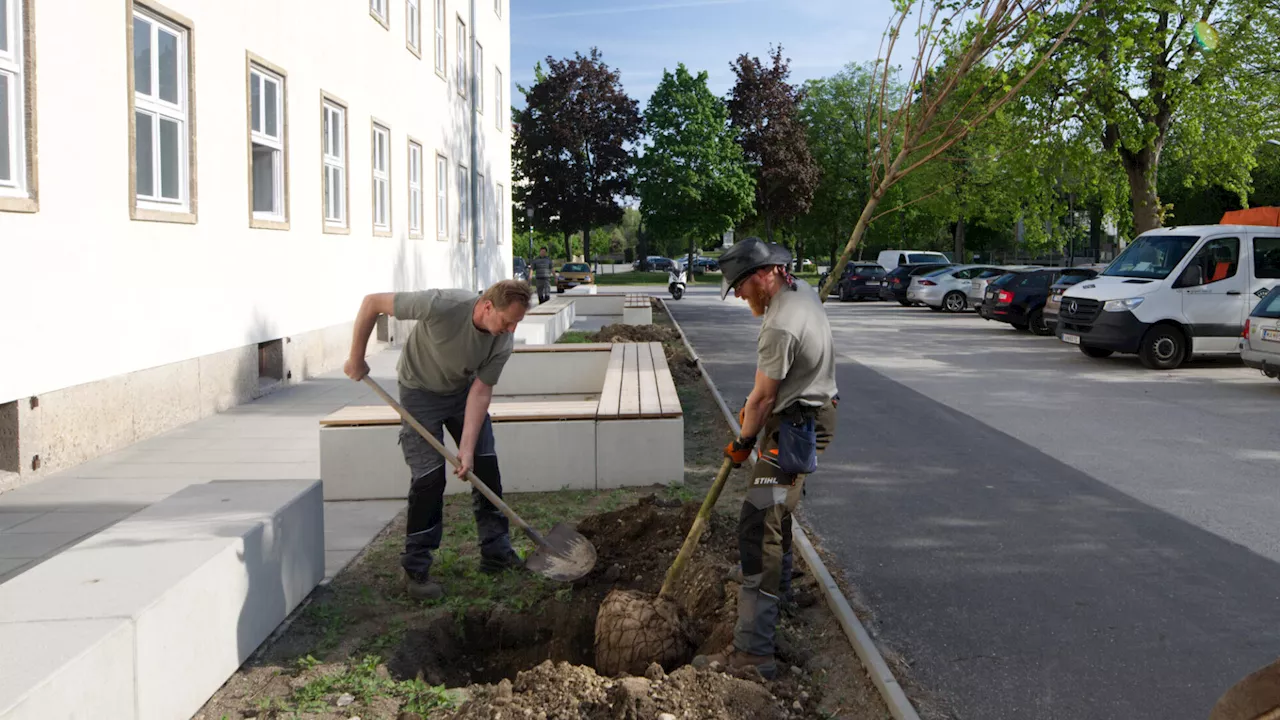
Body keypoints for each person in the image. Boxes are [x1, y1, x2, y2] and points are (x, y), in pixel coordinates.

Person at [343, 280, 532, 600]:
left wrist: (467, 451)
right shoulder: (441, 305)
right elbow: (372, 302)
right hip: (419, 393)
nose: (511, 329)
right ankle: (416, 568)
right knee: (429, 478)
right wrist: (356, 357)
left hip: (462, 394)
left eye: (517, 323)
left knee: (485, 465)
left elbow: (480, 392)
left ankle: (496, 550)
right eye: (507, 321)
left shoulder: (502, 343)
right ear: (487, 307)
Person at [702, 237, 838, 679]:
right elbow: (768, 389)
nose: (739, 297)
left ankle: (754, 653)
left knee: (757, 523)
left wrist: (743, 441)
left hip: (795, 431)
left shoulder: (779, 325)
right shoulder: (803, 292)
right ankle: (782, 596)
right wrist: (758, 407)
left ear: (764, 276)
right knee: (777, 515)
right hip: (808, 418)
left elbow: (762, 399)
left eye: (740, 287)